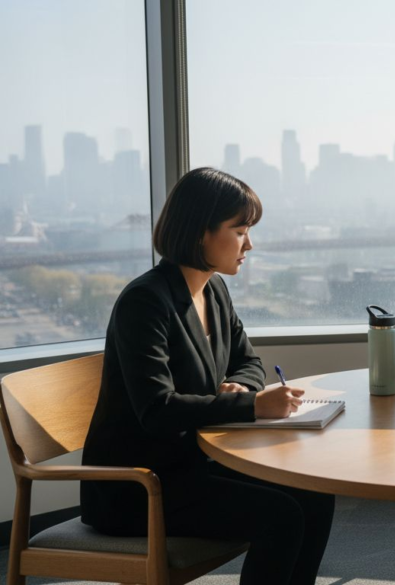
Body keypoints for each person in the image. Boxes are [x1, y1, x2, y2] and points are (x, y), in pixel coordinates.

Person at [81, 167, 335, 585]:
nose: (249, 243)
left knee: (315, 495)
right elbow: (156, 410)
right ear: (202, 232)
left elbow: (249, 361)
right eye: (240, 231)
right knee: (282, 516)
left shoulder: (214, 290)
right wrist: (250, 405)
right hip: (139, 486)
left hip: (193, 464)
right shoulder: (145, 302)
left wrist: (243, 387)